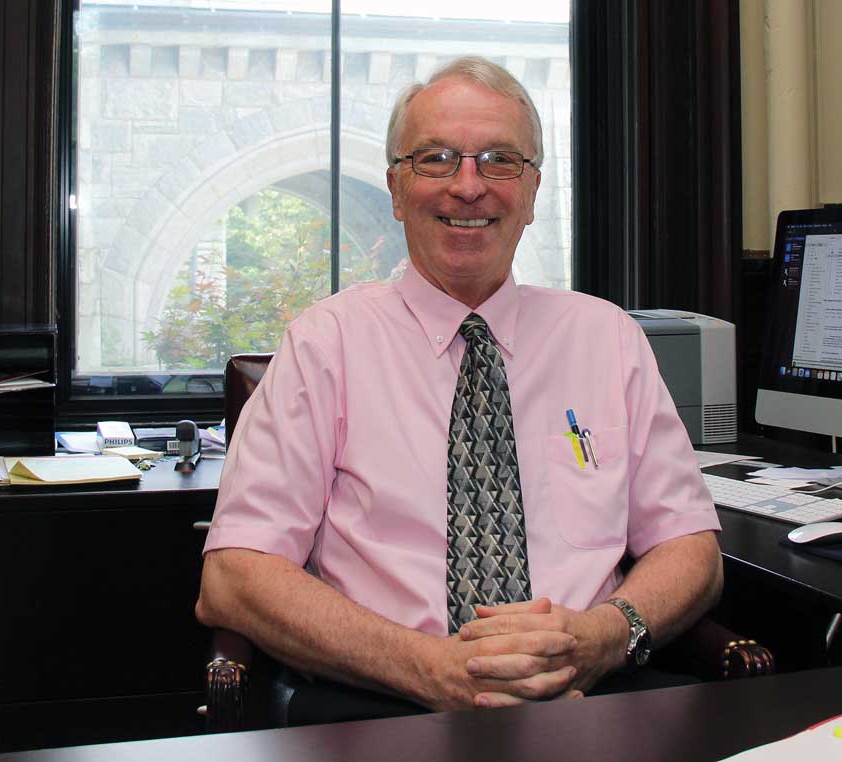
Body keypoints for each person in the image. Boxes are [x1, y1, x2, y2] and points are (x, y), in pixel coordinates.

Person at [196, 55, 722, 723]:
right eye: (436, 159)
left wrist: (604, 635)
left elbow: (692, 549)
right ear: (394, 187)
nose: (468, 187)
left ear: (532, 191)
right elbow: (235, 577)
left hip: (589, 698)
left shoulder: (608, 339)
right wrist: (428, 668)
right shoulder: (324, 345)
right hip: (379, 704)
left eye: (499, 160)